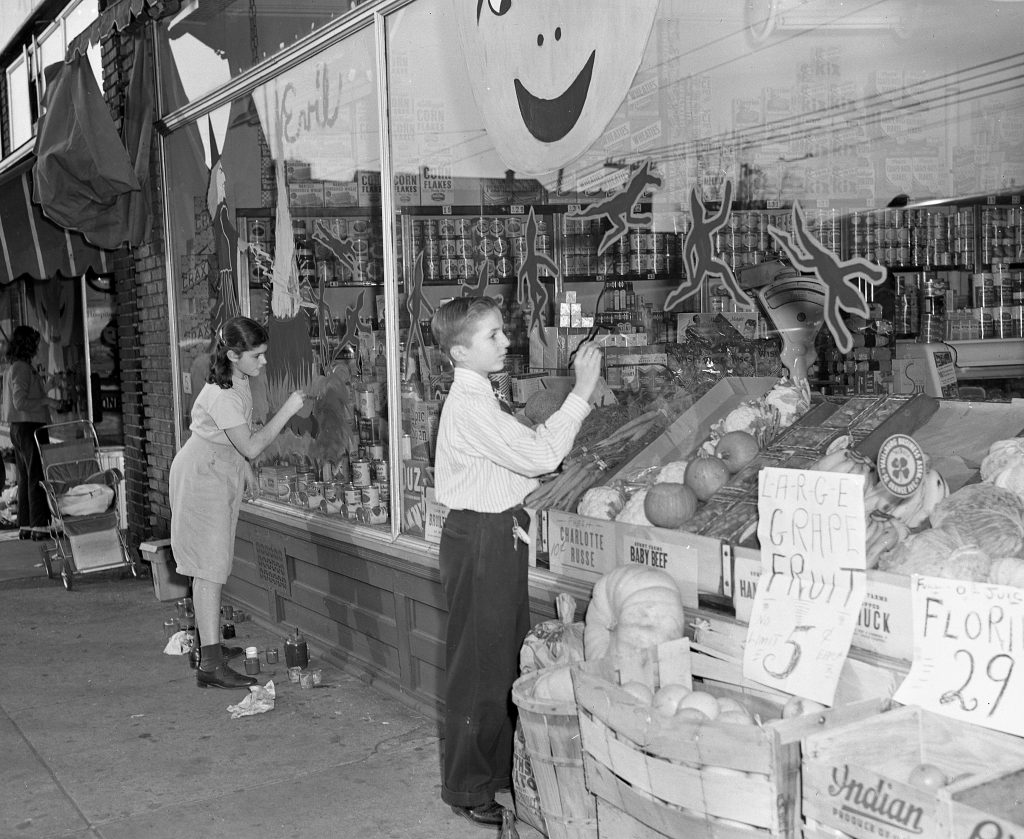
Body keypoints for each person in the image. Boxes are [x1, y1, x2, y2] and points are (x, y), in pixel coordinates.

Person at [429, 296, 602, 827]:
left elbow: (516, 466)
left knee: (502, 655)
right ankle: (467, 785)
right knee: (480, 665)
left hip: (498, 533)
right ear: (460, 351)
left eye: (503, 332)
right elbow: (537, 455)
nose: (507, 342)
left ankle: (496, 772)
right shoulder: (471, 404)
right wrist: (582, 391)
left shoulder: (483, 396)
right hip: (482, 537)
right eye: (493, 336)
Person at [169, 316, 306, 689]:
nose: (263, 362)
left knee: (212, 566)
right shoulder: (223, 393)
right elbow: (252, 443)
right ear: (233, 355)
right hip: (202, 475)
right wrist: (289, 409)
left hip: (218, 468)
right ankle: (210, 664)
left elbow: (236, 442)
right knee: (209, 569)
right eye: (257, 356)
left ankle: (207, 647)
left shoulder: (238, 378)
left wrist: (242, 466)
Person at [2, 326, 60, 540]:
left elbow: (24, 397)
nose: (37, 347)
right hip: (30, 426)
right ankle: (39, 525)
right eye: (34, 343)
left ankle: (26, 525)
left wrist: (48, 386)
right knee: (36, 475)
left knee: (25, 476)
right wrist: (47, 400)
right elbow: (21, 402)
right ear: (28, 345)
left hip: (20, 427)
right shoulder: (21, 368)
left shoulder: (16, 367)